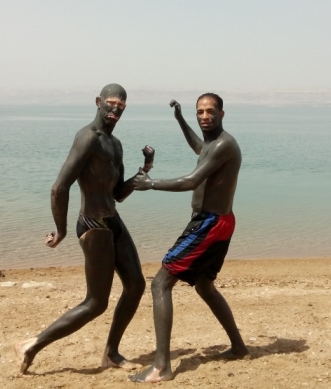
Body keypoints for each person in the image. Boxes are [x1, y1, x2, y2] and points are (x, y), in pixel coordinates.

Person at [15, 83, 154, 375]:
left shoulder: (115, 145)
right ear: (98, 102)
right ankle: (32, 344)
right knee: (95, 303)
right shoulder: (87, 138)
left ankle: (112, 353)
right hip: (93, 225)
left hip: (112, 220)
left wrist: (145, 170)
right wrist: (61, 230)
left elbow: (117, 194)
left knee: (136, 285)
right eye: (111, 103)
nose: (116, 109)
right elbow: (58, 188)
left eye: (122, 106)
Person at [129, 93, 249, 383]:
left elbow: (191, 180)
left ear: (222, 113)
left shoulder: (224, 145)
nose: (204, 116)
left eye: (210, 111)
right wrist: (180, 120)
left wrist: (151, 183)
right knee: (205, 285)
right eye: (199, 112)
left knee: (160, 282)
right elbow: (199, 146)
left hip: (209, 222)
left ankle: (162, 367)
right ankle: (238, 347)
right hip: (219, 221)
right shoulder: (213, 144)